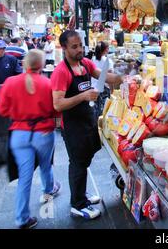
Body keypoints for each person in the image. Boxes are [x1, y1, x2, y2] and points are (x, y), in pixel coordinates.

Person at [51, 30, 123, 220]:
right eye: (74, 47)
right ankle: (77, 204)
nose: (79, 50)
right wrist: (83, 95)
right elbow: (57, 104)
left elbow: (104, 76)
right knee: (77, 164)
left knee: (85, 160)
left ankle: (81, 195)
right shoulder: (61, 72)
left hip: (87, 121)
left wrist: (124, 77)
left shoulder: (85, 64)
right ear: (64, 48)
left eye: (81, 45)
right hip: (73, 127)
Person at [0, 49, 59, 229]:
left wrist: (17, 116)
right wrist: (54, 125)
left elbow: (1, 110)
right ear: (41, 64)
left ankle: (22, 218)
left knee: (25, 178)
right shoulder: (47, 84)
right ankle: (48, 191)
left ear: (24, 63)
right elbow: (57, 111)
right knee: (46, 166)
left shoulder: (10, 82)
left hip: (19, 135)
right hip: (43, 133)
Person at [91, 41, 114, 118]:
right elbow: (110, 78)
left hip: (93, 87)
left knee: (94, 109)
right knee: (103, 111)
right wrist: (112, 90)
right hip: (103, 89)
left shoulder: (93, 59)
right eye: (108, 48)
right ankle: (100, 127)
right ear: (105, 50)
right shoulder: (108, 61)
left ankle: (94, 126)